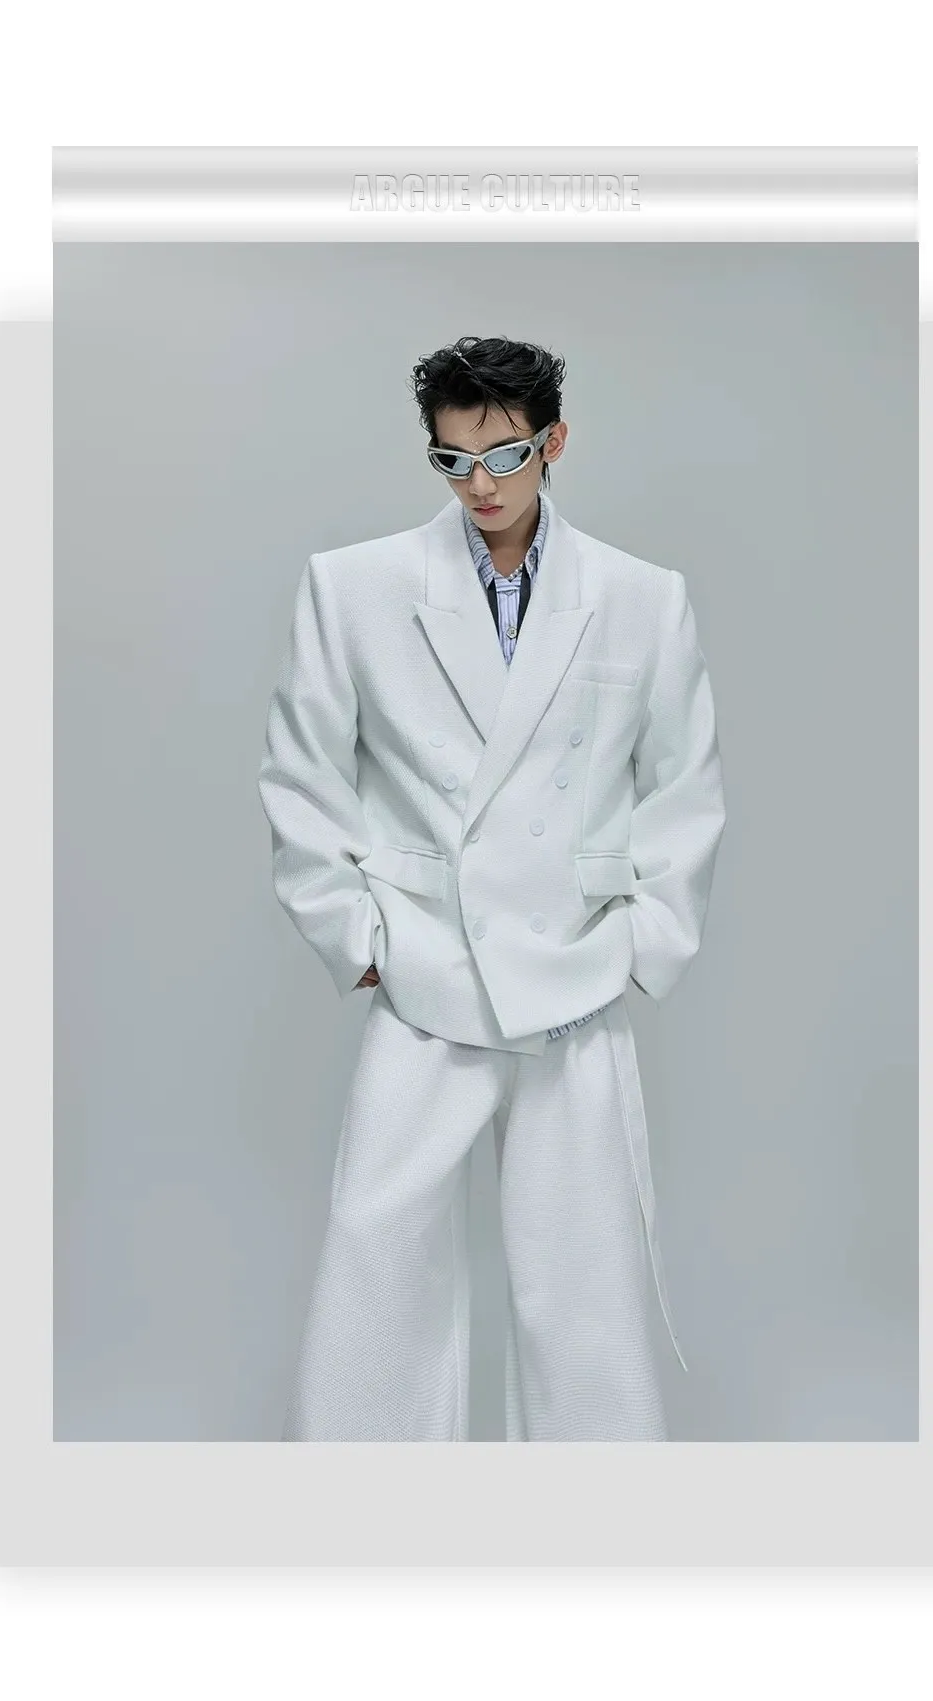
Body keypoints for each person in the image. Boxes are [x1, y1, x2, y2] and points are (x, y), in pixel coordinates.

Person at [257, 334, 727, 1440]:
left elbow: (685, 783)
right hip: (425, 962)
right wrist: (356, 939)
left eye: (505, 456)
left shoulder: (641, 598)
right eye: (452, 460)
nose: (480, 485)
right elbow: (301, 776)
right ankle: (359, 1520)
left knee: (582, 1280)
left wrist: (646, 940)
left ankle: (588, 1523)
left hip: (574, 970)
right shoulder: (354, 587)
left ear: (553, 442)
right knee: (379, 1259)